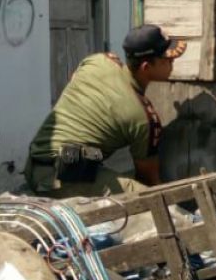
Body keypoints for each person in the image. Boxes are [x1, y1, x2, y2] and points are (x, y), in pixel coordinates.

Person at [25, 25, 185, 197]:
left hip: (35, 162)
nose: (172, 64)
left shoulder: (99, 61)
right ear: (146, 67)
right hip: (59, 178)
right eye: (167, 60)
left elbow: (74, 78)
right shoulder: (144, 117)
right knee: (151, 199)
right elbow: (149, 179)